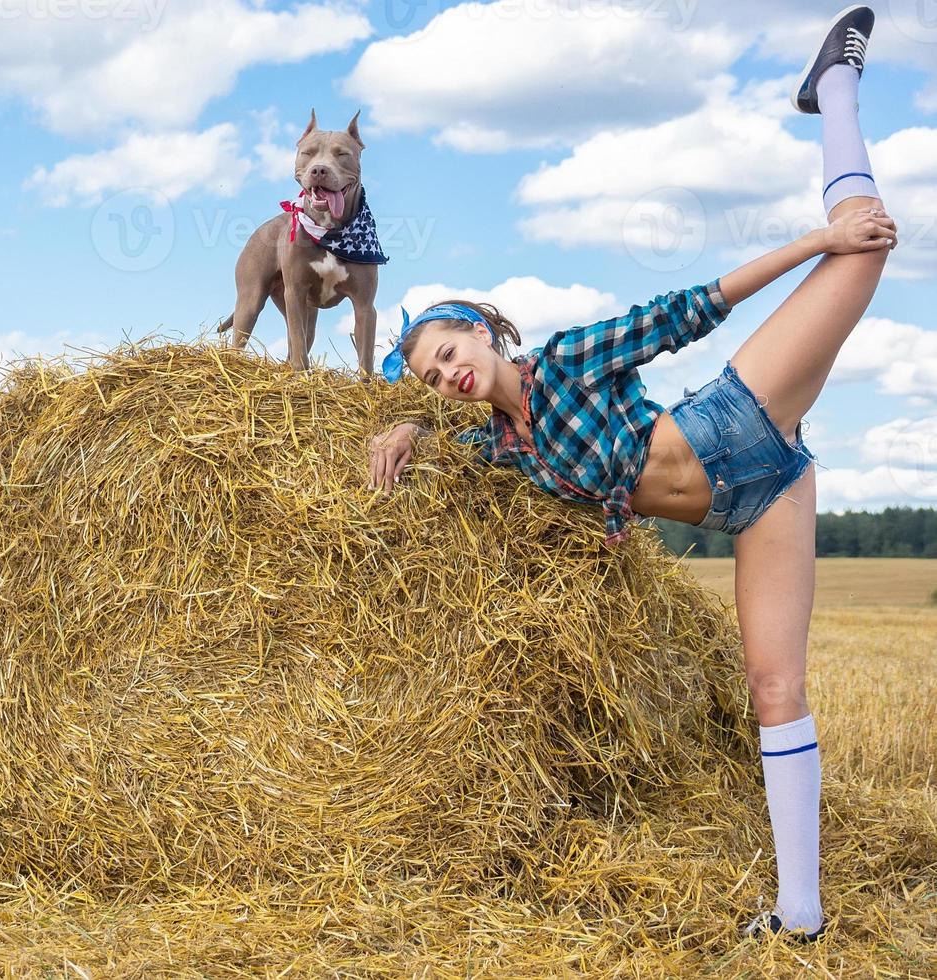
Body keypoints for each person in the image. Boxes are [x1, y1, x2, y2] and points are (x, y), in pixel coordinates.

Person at [366, 6, 890, 942]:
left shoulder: (568, 360)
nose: (450, 372)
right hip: (760, 503)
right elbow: (449, 455)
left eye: (450, 348)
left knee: (863, 242)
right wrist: (409, 424)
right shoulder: (498, 450)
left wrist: (814, 244)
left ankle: (837, 88)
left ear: (483, 331)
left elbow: (688, 309)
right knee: (775, 687)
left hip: (738, 418)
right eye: (433, 375)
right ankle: (801, 918)